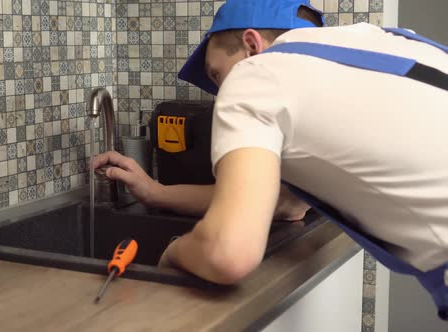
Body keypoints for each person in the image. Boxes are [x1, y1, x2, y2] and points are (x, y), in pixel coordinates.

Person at [92, 0, 448, 319]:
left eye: (217, 74)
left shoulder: (255, 73)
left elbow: (228, 253)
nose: (220, 94)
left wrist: (174, 253)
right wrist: (154, 192)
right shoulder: (381, 42)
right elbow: (283, 203)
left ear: (251, 46)